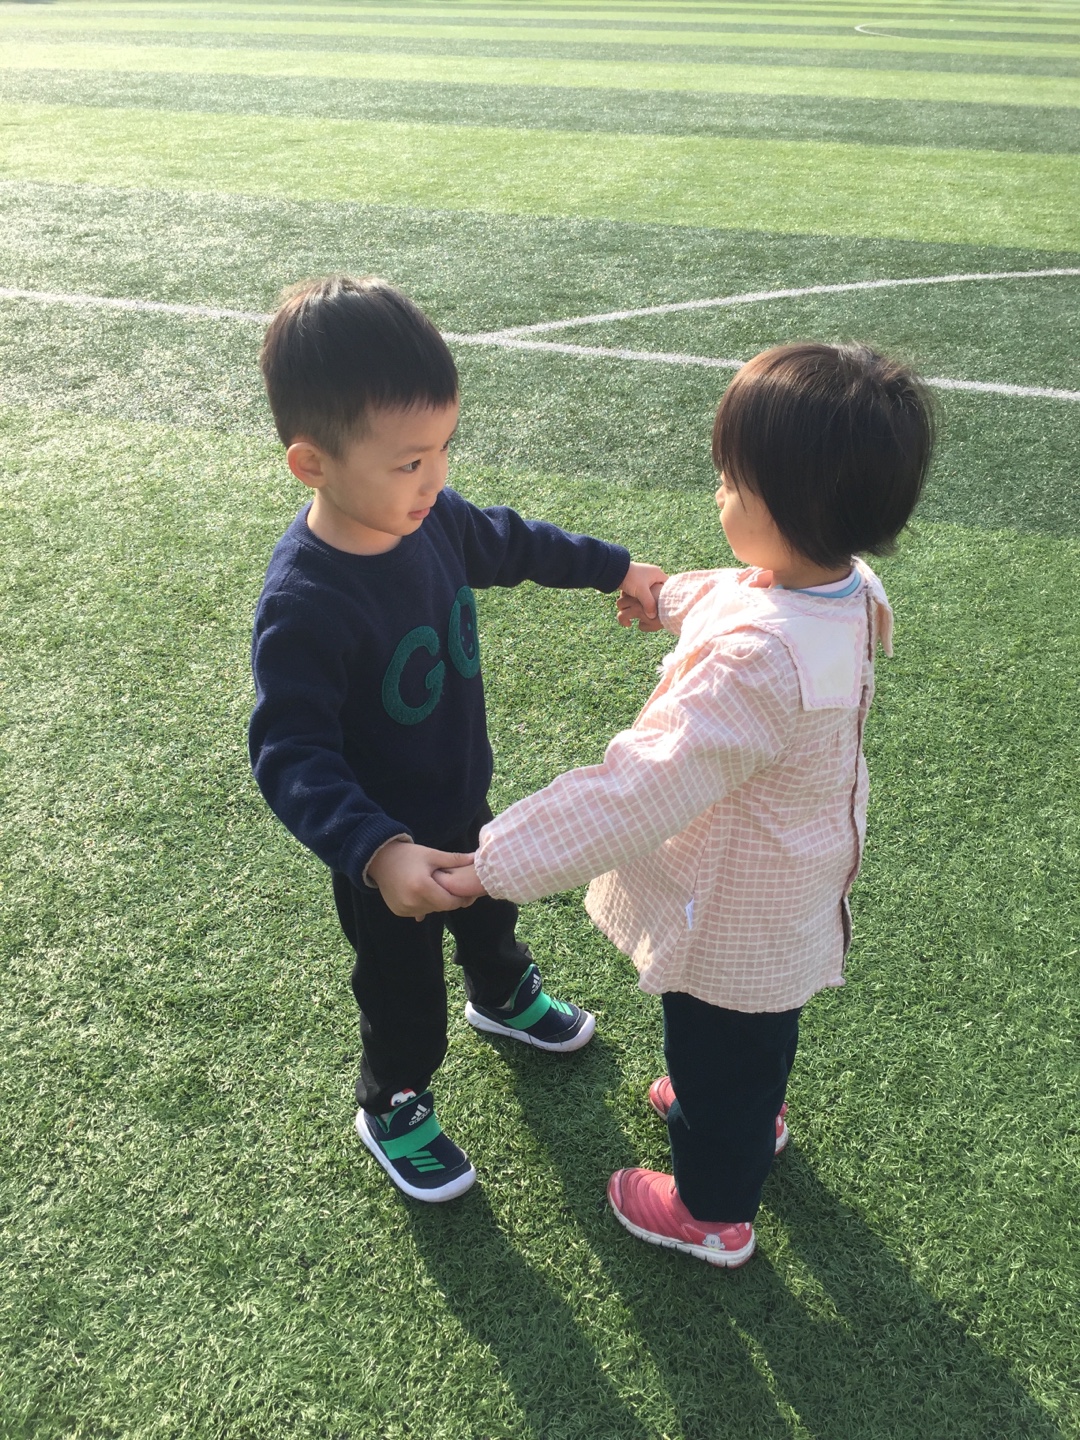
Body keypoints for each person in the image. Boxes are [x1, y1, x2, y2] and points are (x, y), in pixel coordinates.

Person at [436, 342, 934, 1264]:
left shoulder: (754, 666)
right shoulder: (846, 588)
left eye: (732, 482)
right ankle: (746, 1111)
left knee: (715, 1041)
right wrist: (667, 597)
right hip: (791, 892)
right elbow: (744, 593)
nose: (717, 493)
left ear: (788, 507)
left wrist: (489, 863)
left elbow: (637, 789)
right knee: (753, 1041)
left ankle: (712, 1212)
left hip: (734, 915)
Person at [248, 275, 666, 1203]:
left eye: (444, 449)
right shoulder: (306, 601)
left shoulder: (432, 518)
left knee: (490, 904)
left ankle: (501, 992)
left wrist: (615, 568)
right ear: (313, 465)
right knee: (400, 987)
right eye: (409, 461)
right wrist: (376, 851)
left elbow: (512, 542)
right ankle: (392, 1100)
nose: (435, 479)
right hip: (386, 848)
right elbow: (289, 751)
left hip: (461, 795)